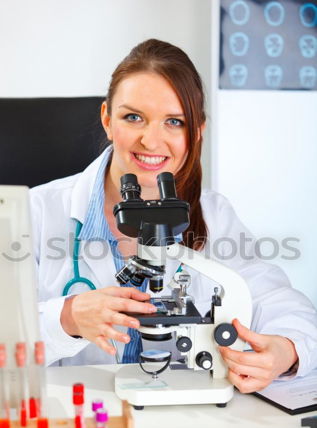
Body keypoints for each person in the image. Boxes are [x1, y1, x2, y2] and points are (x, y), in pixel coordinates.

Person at [30, 39, 317, 393]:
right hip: (86, 416)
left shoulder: (213, 213)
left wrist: (284, 350)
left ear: (197, 131)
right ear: (107, 119)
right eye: (133, 117)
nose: (151, 141)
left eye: (174, 122)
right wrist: (67, 316)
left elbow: (285, 307)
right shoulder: (37, 211)